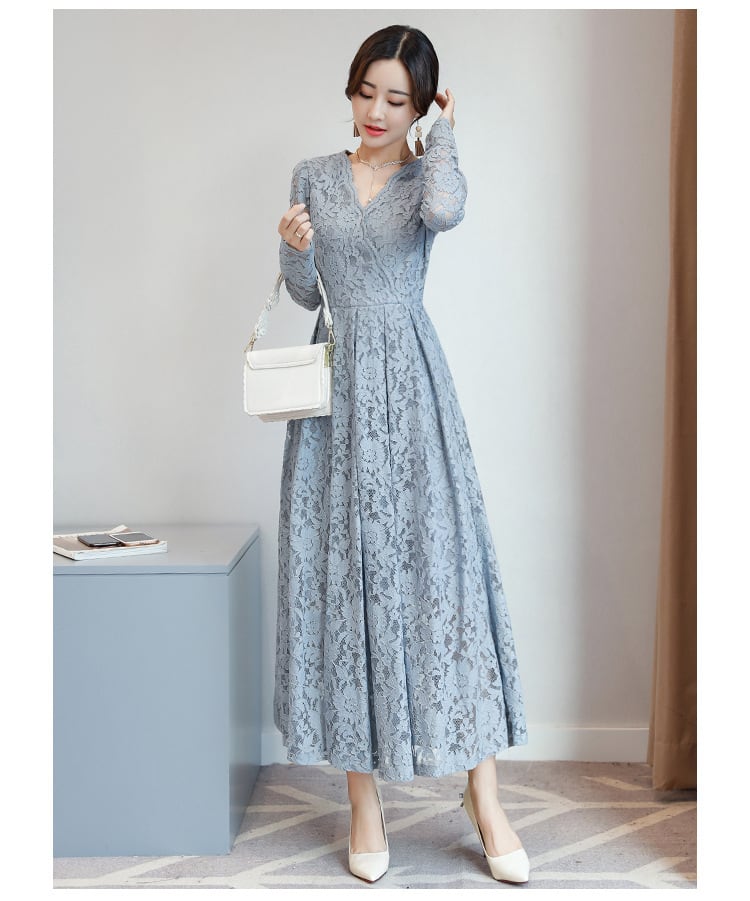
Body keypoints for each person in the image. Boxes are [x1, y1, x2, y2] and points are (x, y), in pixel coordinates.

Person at [273, 24, 529, 884]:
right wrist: (293, 246)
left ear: (419, 105)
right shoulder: (313, 175)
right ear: (350, 88)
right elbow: (305, 291)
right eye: (366, 91)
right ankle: (364, 800)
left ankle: (483, 797)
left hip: (414, 391)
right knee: (346, 579)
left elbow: (448, 211)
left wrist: (446, 133)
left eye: (398, 98)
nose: (377, 111)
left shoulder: (427, 178)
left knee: (441, 580)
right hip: (336, 395)